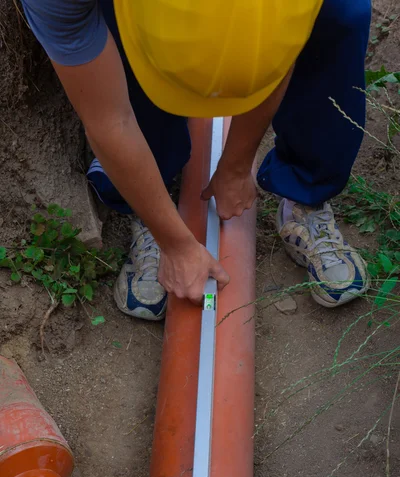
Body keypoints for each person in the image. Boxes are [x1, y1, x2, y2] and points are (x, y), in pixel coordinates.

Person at [20, 0, 371, 321]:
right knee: (123, 55)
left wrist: (236, 165)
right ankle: (152, 200)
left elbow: (280, 54)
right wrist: (175, 243)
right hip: (135, 23)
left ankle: (304, 192)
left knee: (341, 15)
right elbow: (110, 119)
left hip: (278, 14)